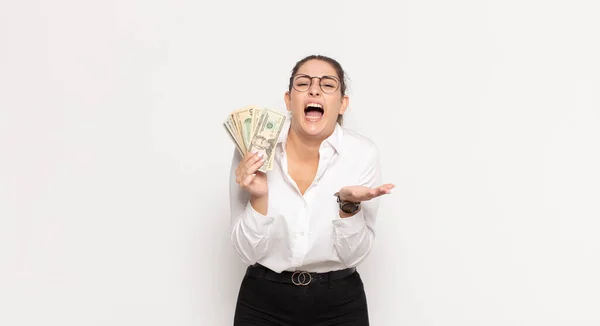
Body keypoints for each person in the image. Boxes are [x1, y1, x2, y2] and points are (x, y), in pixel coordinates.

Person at [228, 54, 394, 326]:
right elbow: (247, 253)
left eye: (328, 84)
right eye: (303, 83)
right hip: (262, 301)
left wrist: (348, 208)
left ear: (342, 104)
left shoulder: (362, 153)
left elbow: (354, 256)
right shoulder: (253, 149)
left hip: (340, 303)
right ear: (288, 99)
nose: (314, 89)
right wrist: (259, 197)